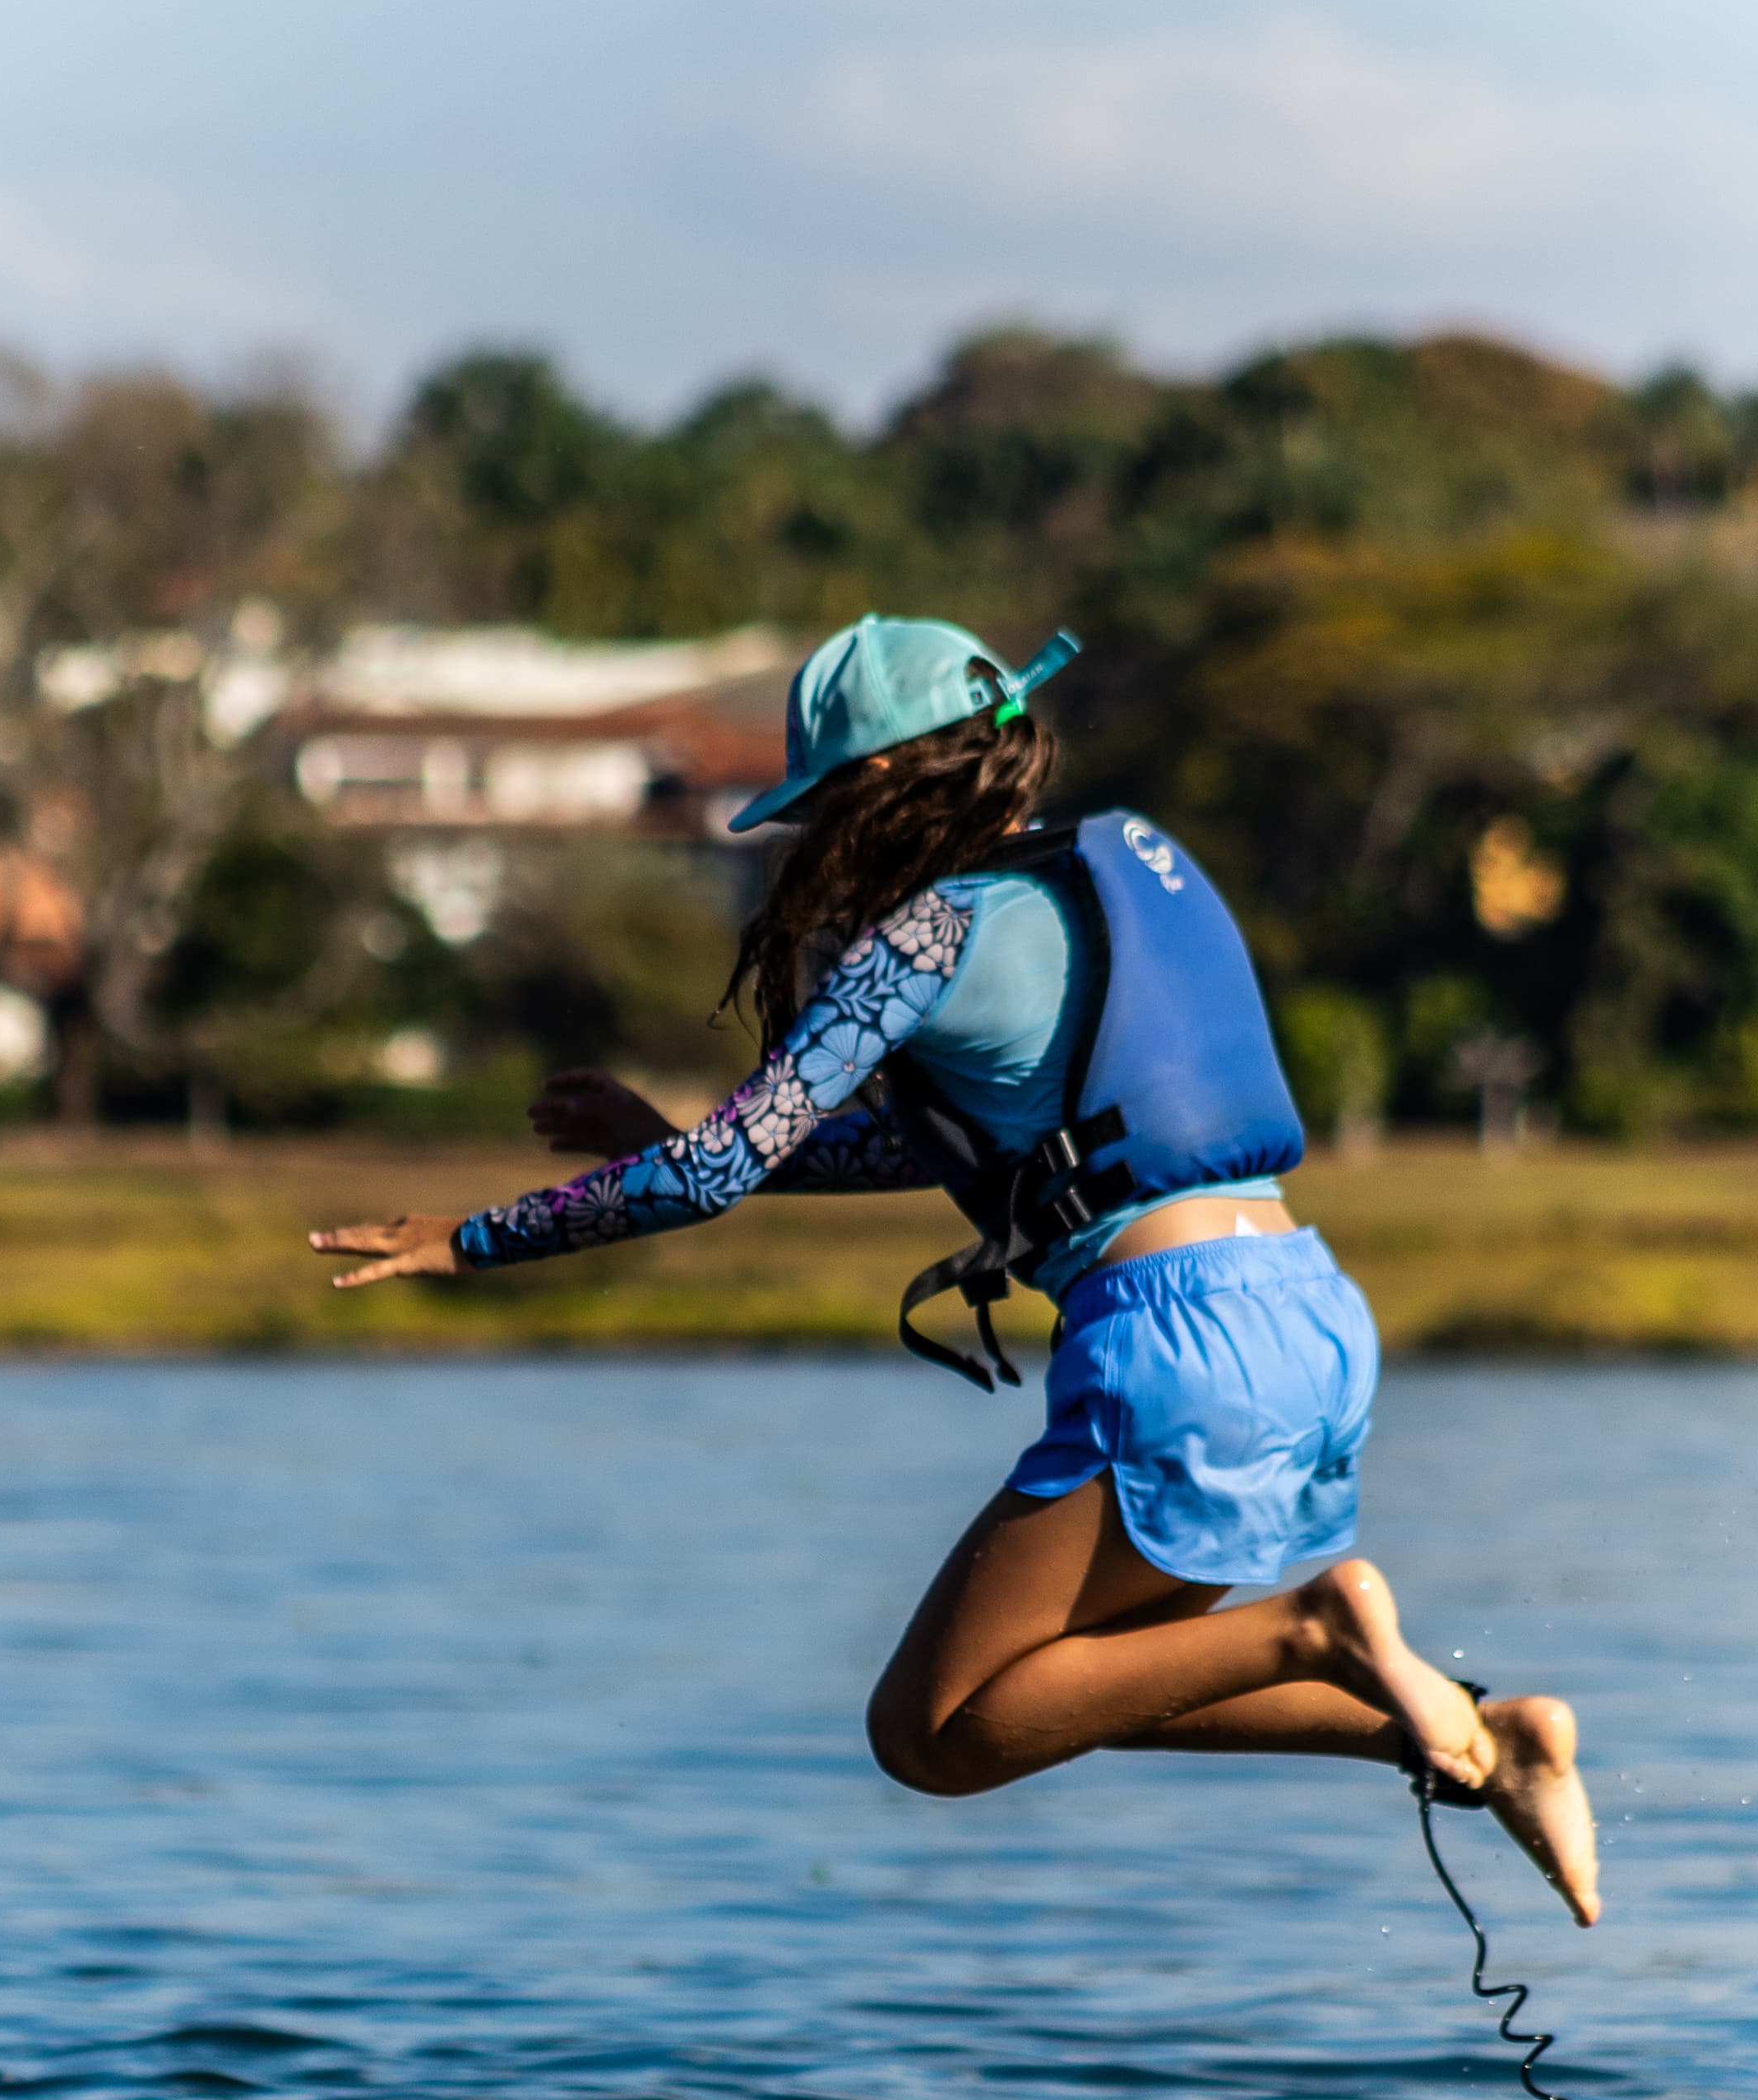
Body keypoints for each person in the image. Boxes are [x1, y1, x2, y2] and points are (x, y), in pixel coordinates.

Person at [310, 614, 1598, 1924]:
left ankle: (1319, 1625)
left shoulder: (926, 939)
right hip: (1307, 1317)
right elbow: (932, 1146)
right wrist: (679, 1146)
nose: (813, 847)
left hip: (1178, 1347)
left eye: (818, 811)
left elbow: (715, 1174)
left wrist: (470, 1237)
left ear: (878, 782)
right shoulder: (1130, 869)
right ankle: (1479, 1740)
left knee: (923, 1733)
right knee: (1071, 1685)